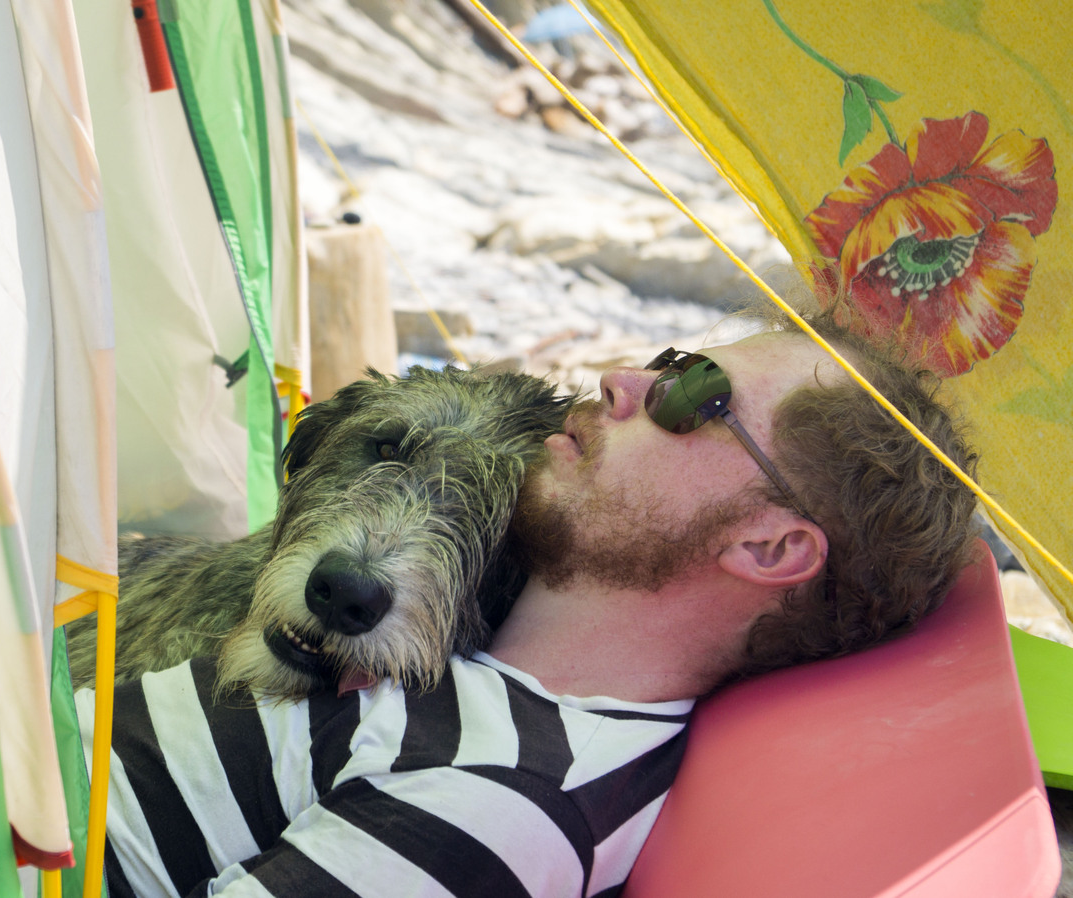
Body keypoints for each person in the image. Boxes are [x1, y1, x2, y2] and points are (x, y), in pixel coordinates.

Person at [77, 306, 981, 898]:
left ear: (770, 547)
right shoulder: (497, 650)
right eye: (669, 359)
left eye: (697, 394)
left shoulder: (510, 803)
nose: (624, 380)